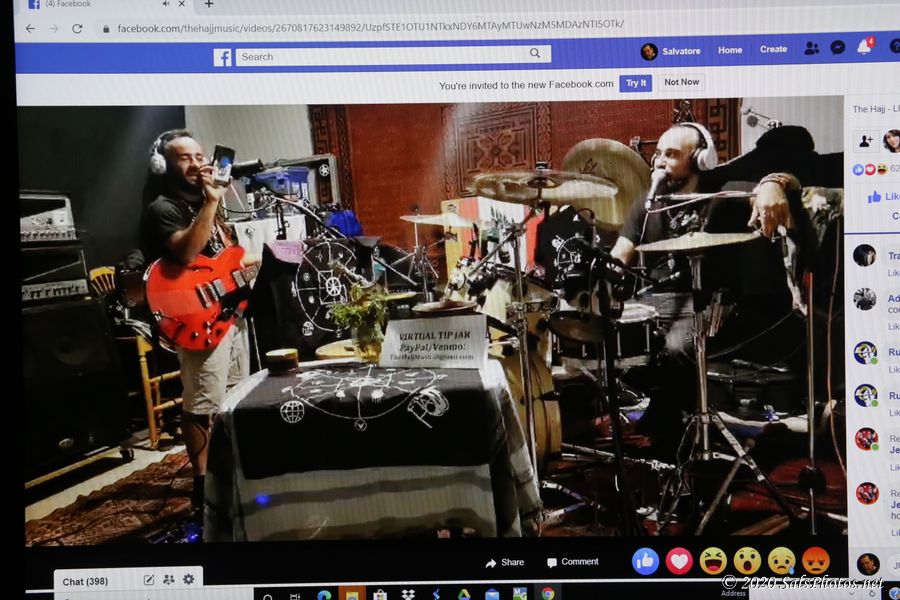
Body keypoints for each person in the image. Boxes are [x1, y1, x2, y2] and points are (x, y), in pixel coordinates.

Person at [140, 129, 252, 523]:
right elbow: (187, 253)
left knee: (236, 396)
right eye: (185, 158)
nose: (197, 163)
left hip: (228, 314)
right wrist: (211, 201)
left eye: (200, 156)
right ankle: (202, 487)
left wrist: (267, 259)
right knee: (202, 405)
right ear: (164, 166)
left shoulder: (209, 206)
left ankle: (232, 471)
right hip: (196, 318)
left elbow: (223, 260)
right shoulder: (163, 209)